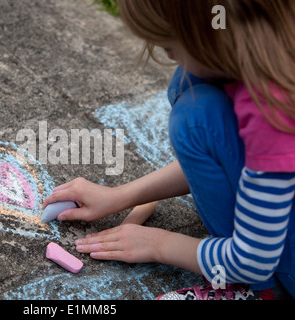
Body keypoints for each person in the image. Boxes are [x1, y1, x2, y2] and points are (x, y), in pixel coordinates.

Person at [42, 0, 295, 300]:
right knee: (190, 86)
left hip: (260, 264)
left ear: (207, 32)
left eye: (169, 46)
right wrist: (121, 196)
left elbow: (252, 261)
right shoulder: (265, 49)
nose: (167, 53)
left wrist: (157, 244)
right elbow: (257, 167)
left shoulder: (272, 110)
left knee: (195, 116)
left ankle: (263, 293)